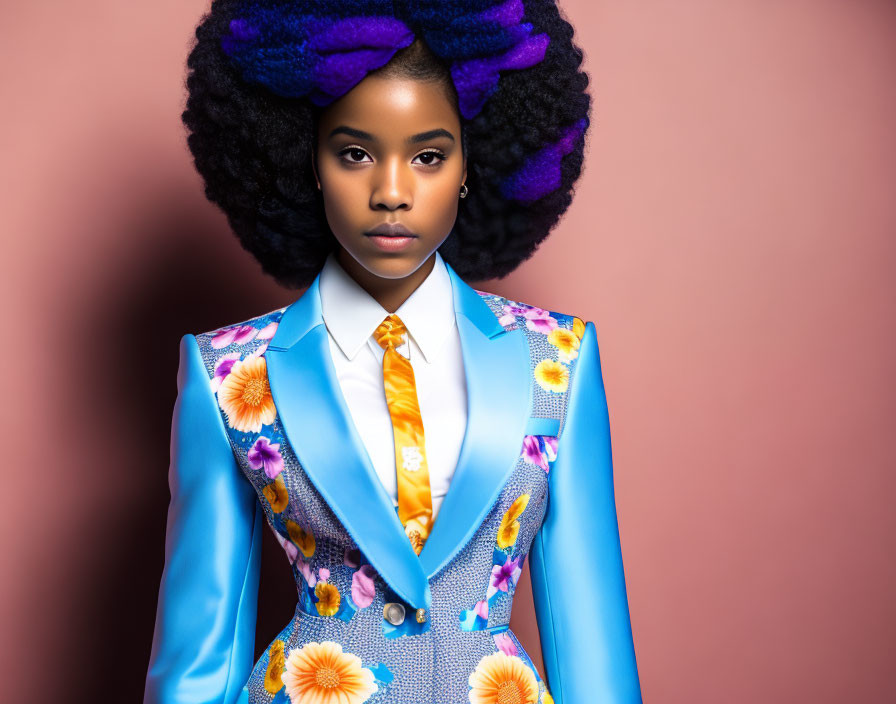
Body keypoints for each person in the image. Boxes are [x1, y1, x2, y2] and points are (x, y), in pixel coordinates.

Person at [143, 1, 642, 702]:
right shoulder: (227, 372)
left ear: (471, 164)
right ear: (307, 160)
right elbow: (201, 653)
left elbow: (592, 648)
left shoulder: (557, 359)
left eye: (429, 156)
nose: (391, 193)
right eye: (354, 153)